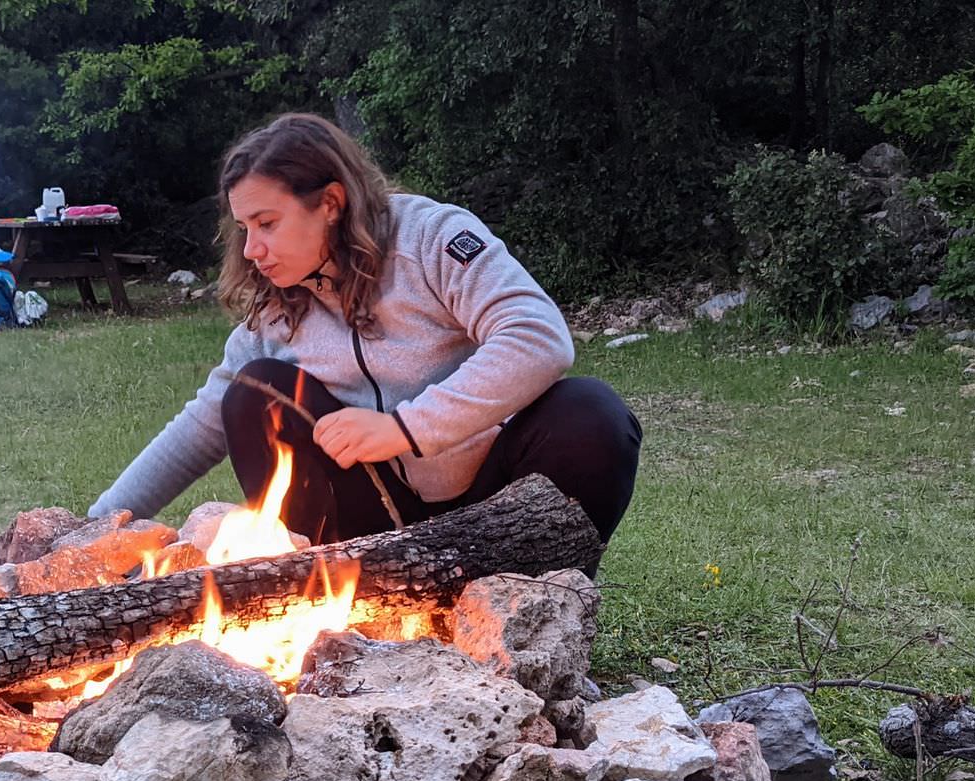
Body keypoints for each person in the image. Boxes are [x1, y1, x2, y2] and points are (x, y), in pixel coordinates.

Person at [90, 114, 641, 558]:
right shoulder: (279, 305)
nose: (252, 249)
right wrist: (97, 529)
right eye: (244, 229)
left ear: (330, 203)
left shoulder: (432, 238)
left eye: (267, 223)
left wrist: (405, 428)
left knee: (592, 414)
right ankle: (333, 592)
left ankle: (537, 597)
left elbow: (537, 337)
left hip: (492, 501)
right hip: (374, 527)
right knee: (255, 391)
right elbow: (201, 426)